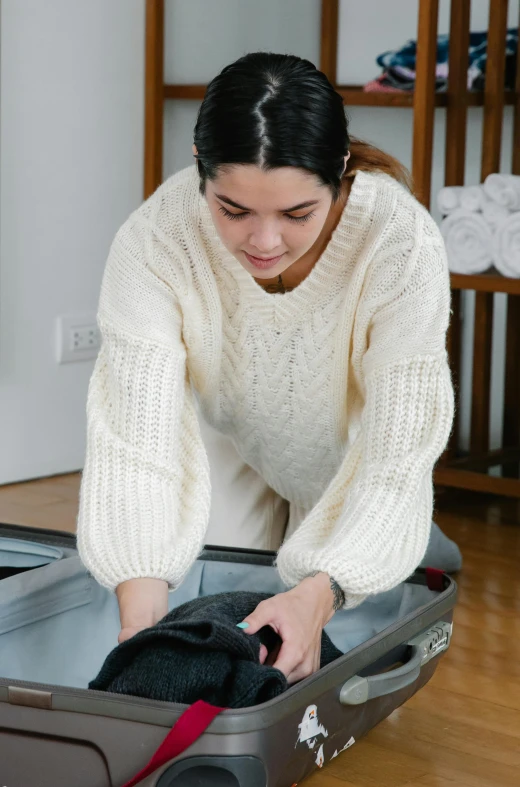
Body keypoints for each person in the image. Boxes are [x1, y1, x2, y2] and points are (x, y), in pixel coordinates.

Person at [76, 52, 455, 687]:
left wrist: (328, 588)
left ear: (338, 172)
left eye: (297, 214)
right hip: (237, 442)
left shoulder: (400, 241)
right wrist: (141, 630)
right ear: (200, 165)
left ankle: (425, 542)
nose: (265, 242)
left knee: (361, 601)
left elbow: (397, 453)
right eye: (234, 210)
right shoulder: (154, 239)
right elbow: (134, 440)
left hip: (347, 463)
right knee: (206, 607)